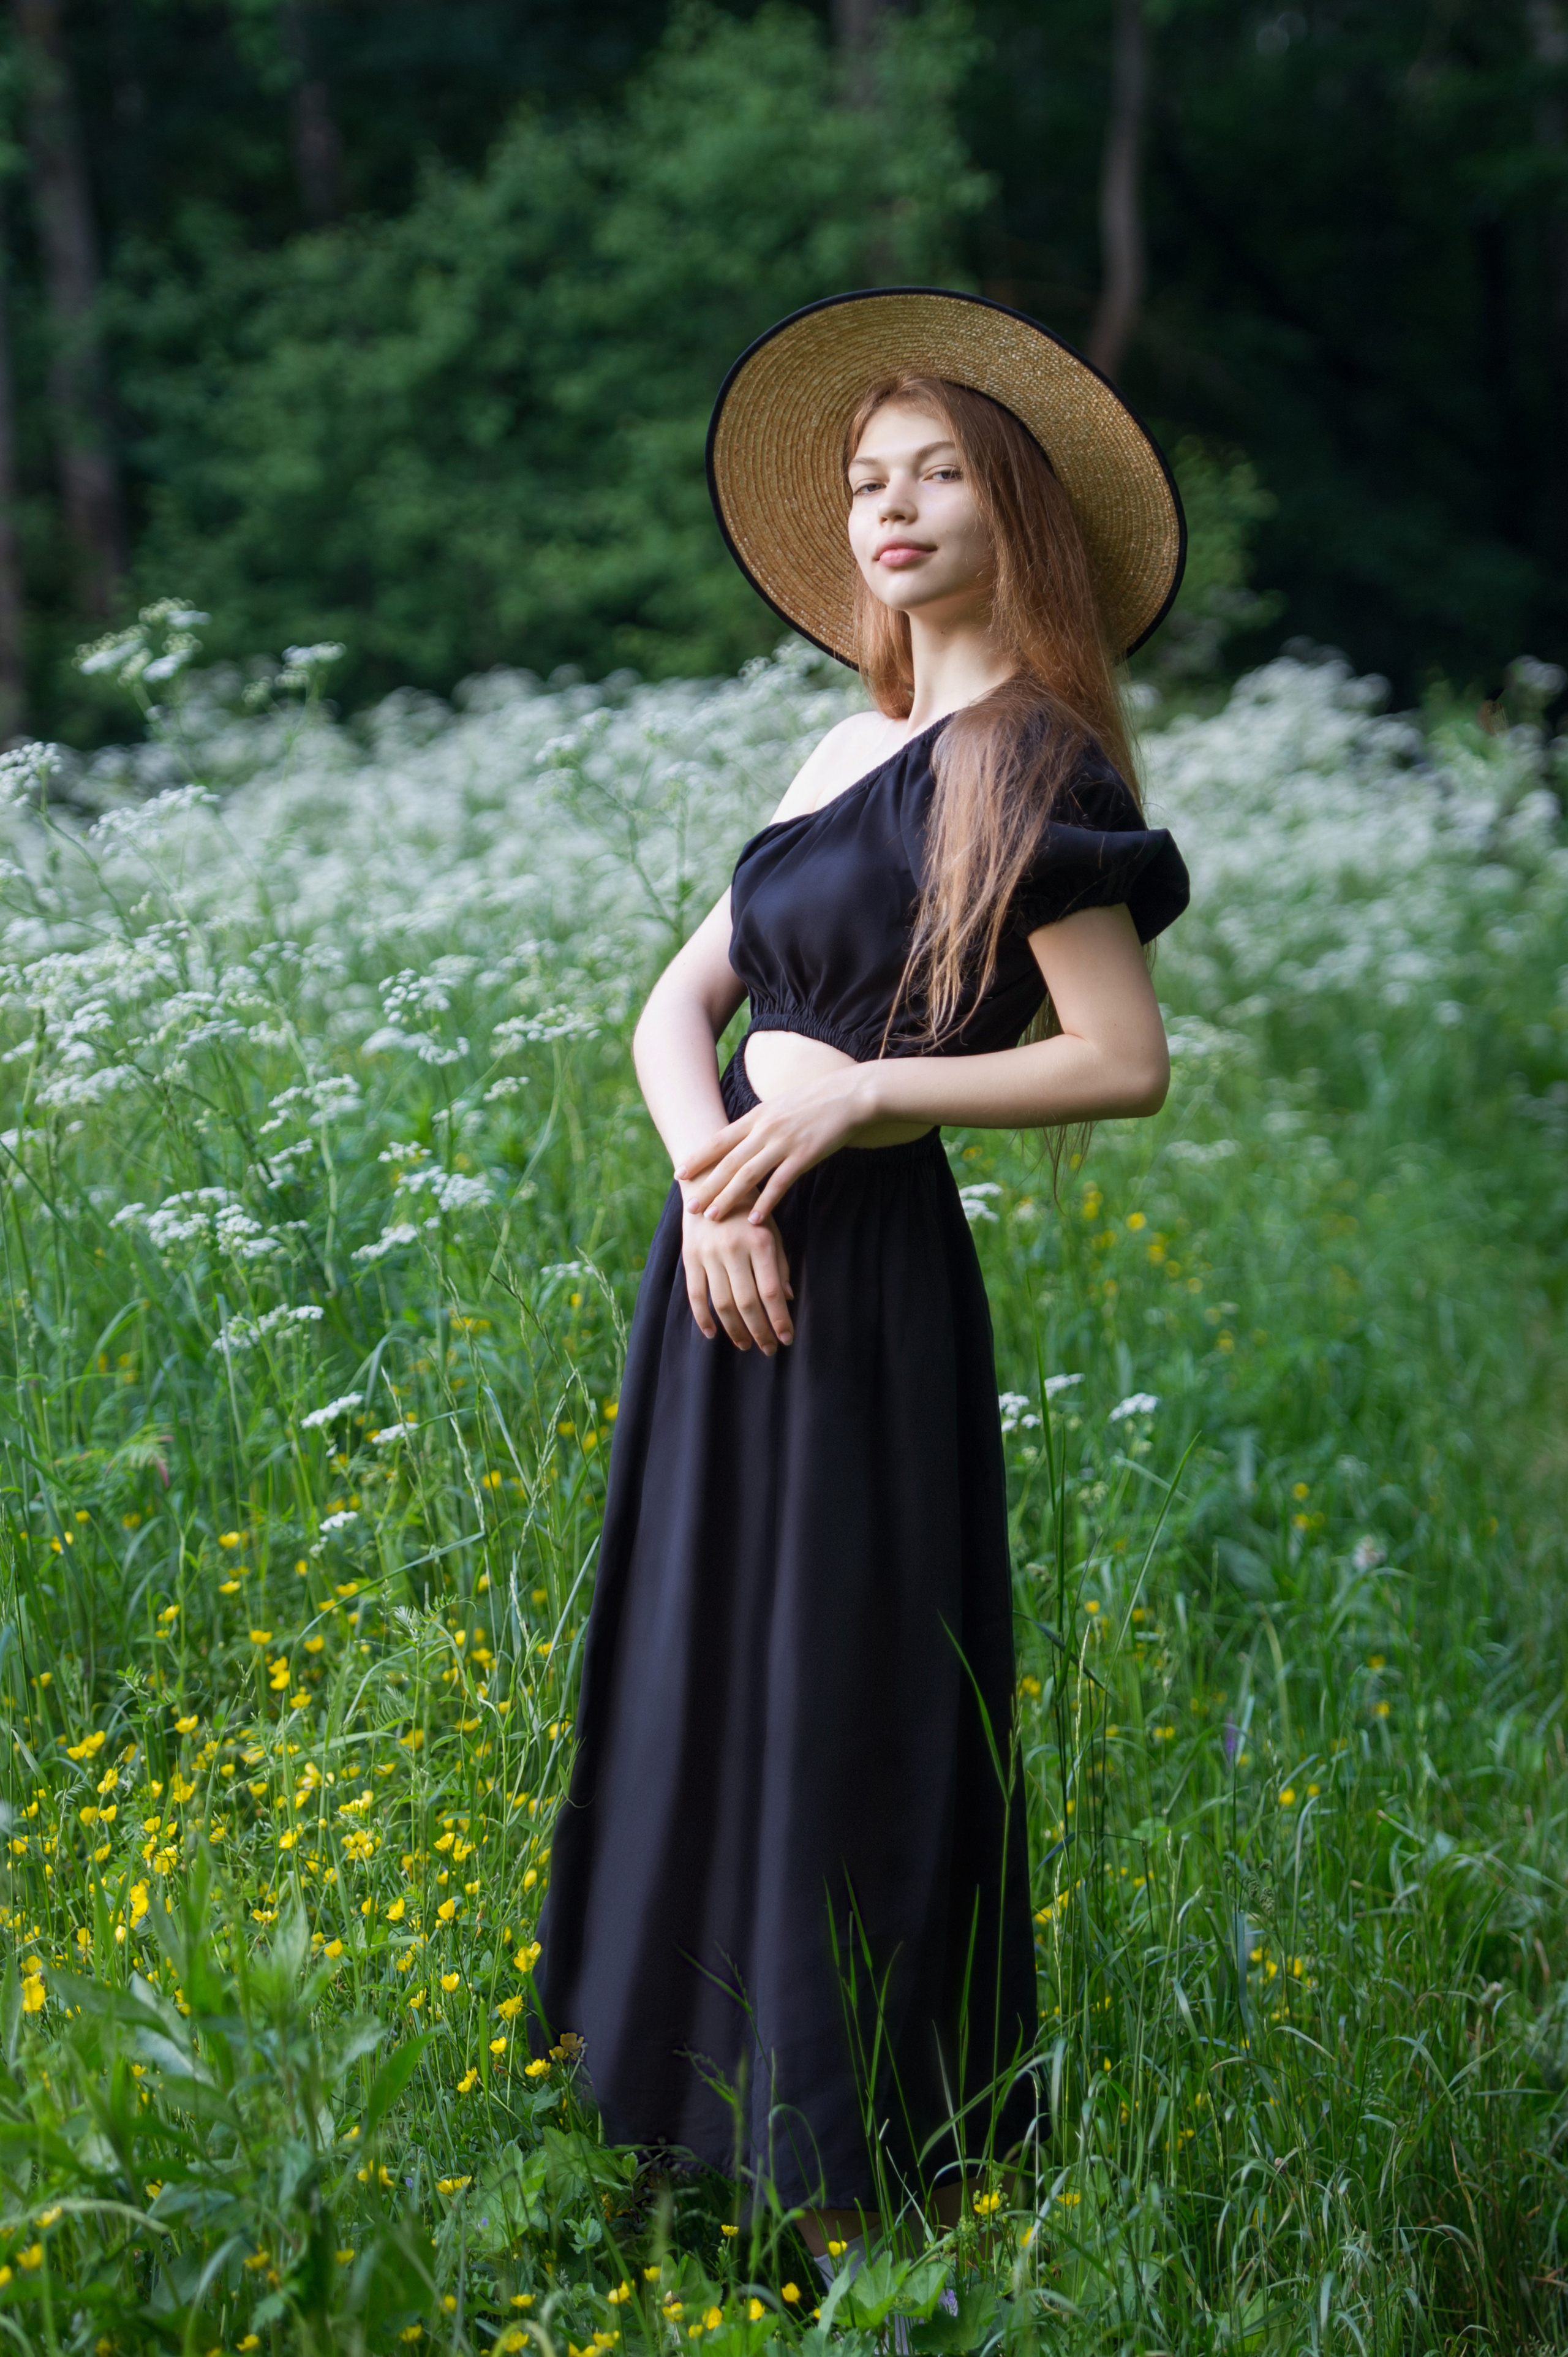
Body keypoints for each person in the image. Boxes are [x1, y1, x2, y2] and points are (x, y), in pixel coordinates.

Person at [533, 289, 1191, 2262]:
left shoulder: (1033, 758)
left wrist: (859, 1104)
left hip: (870, 1290)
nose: (890, 507)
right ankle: (662, 2129)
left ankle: (849, 2182)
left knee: (844, 1691)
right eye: (866, 479)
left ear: (1021, 514)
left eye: (937, 476)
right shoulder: (846, 740)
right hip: (722, 1268)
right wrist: (715, 1186)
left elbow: (1120, 1061)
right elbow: (675, 1007)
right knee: (690, 1666)